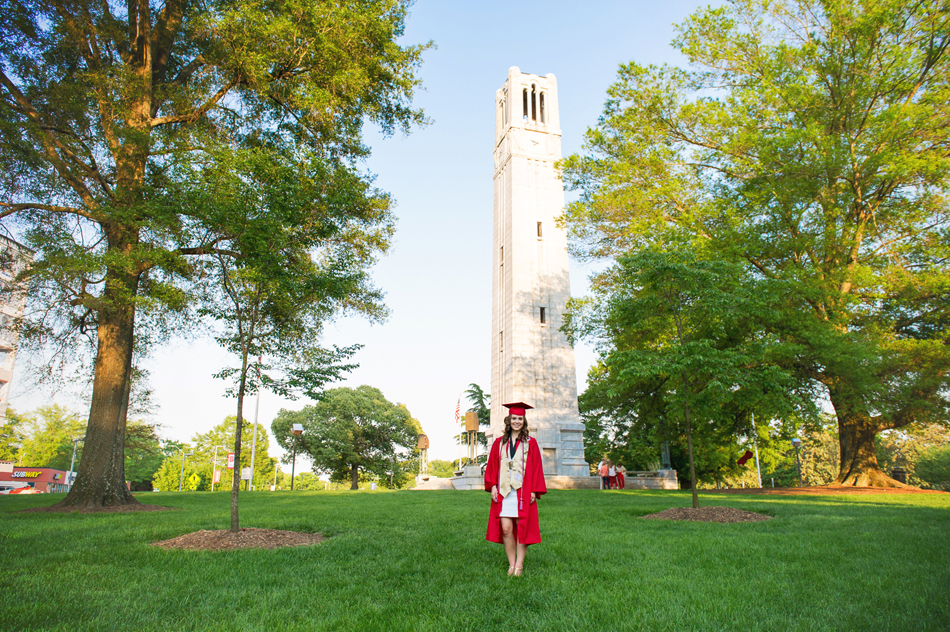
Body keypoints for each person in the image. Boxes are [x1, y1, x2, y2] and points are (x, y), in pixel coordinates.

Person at [485, 402, 547, 576]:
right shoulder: (499, 442)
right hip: (504, 490)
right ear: (509, 420)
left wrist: (534, 490)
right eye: (514, 418)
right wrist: (493, 486)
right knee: (505, 527)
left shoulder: (530, 443)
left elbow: (536, 467)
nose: (517, 422)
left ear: (524, 421)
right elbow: (492, 466)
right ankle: (511, 563)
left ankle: (519, 565)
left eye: (520, 418)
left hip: (523, 489)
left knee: (522, 525)